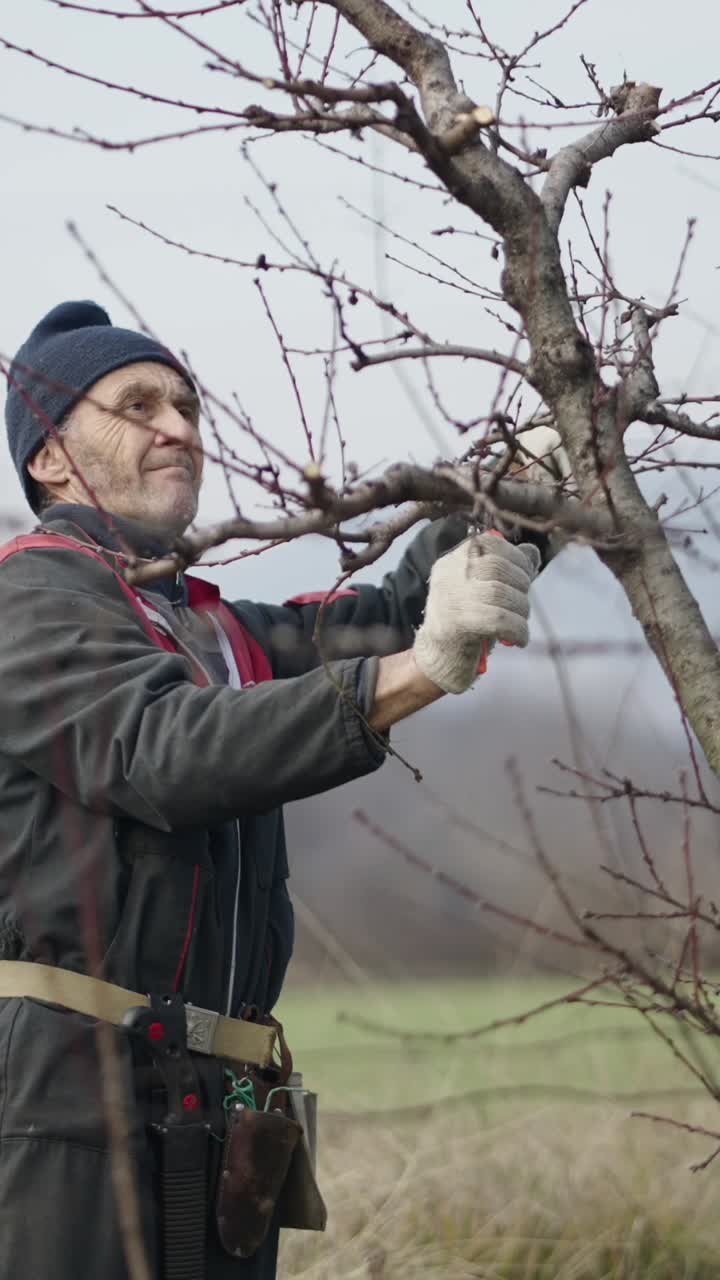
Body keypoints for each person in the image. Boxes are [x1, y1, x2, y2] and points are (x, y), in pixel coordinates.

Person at [0, 301, 546, 1280]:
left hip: (215, 1110)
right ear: (49, 457)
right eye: (136, 404)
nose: (178, 426)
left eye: (186, 404)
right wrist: (420, 669)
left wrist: (522, 490)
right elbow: (165, 747)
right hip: (67, 1116)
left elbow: (387, 619)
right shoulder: (26, 599)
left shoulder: (209, 629)